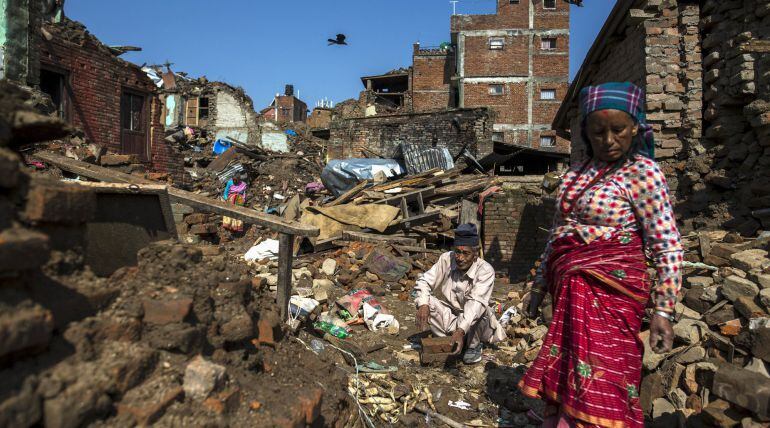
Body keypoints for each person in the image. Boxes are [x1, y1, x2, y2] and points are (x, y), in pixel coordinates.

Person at [518, 82, 683, 428]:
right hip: (569, 293)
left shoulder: (643, 174)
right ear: (586, 134)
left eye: (618, 130)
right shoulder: (576, 175)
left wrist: (663, 311)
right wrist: (537, 288)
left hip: (613, 297)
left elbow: (665, 242)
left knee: (605, 376)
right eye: (598, 132)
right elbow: (556, 237)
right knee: (571, 372)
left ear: (635, 126)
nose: (608, 140)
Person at [414, 223, 506, 364]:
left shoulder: (485, 270)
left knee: (481, 310)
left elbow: (475, 304)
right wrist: (423, 304)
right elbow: (424, 281)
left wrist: (461, 330)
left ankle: (473, 346)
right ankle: (448, 341)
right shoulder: (446, 259)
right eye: (457, 252)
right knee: (425, 300)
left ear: (475, 254)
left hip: (475, 325)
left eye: (466, 253)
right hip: (452, 318)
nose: (460, 258)